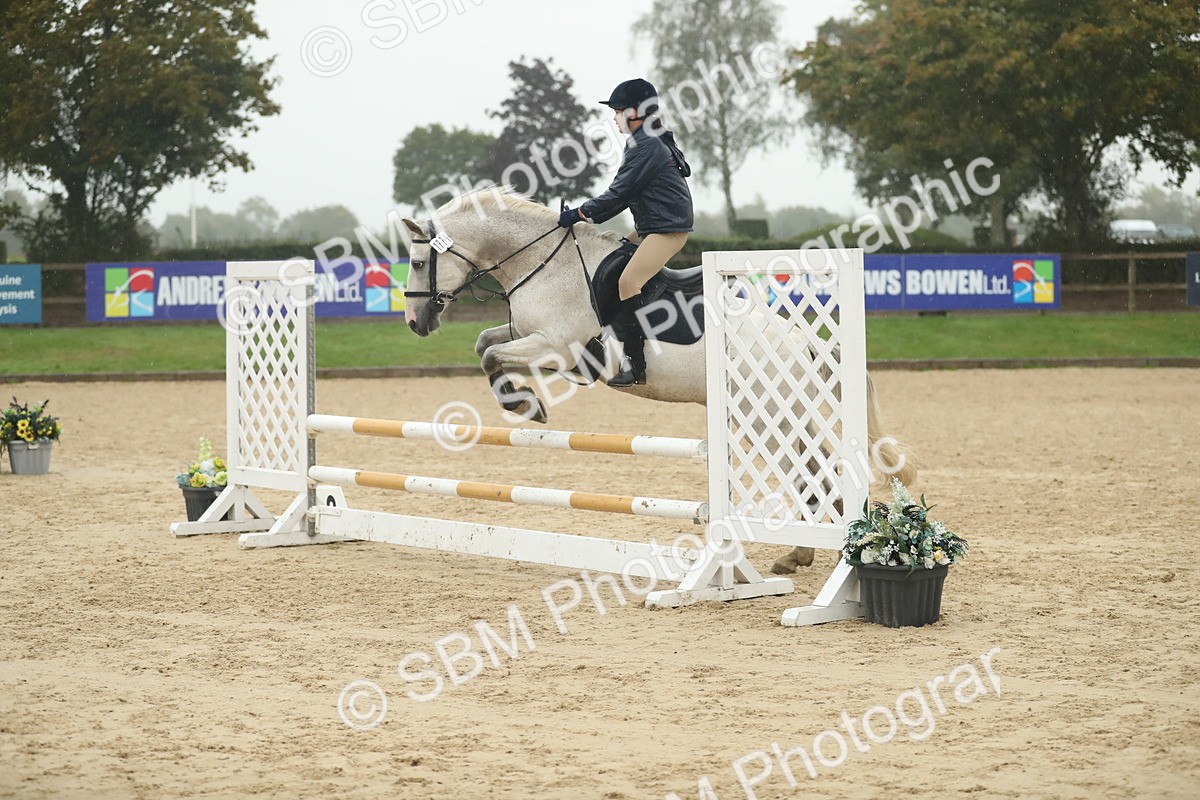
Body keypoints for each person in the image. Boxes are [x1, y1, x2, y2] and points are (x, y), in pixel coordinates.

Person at [558, 78, 693, 387]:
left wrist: (581, 212)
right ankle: (595, 351)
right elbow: (623, 197)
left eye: (618, 112)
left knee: (628, 282)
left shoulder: (646, 145)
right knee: (607, 269)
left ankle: (635, 365)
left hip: (666, 230)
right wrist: (588, 218)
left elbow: (617, 193)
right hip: (651, 226)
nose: (615, 118)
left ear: (634, 112)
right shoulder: (645, 140)